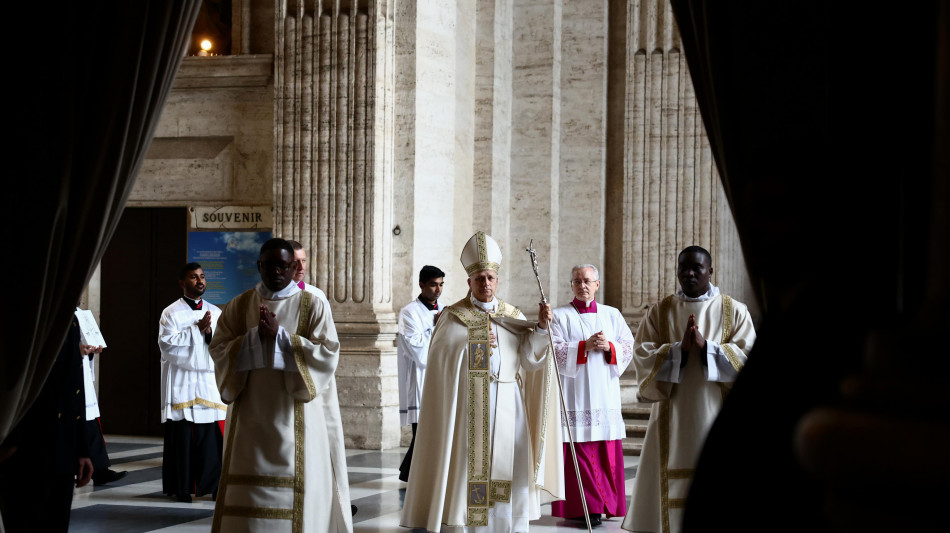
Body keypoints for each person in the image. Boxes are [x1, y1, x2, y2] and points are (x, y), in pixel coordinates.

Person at [400, 231, 564, 533]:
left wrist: (542, 328)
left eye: (490, 278)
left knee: (510, 470)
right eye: (479, 278)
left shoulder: (512, 315)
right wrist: (473, 341)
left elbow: (530, 360)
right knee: (470, 469)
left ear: (497, 280)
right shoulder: (453, 316)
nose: (485, 283)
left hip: (510, 406)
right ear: (469, 282)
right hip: (469, 407)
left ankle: (507, 527)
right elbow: (441, 360)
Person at [209, 238, 352, 532]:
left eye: (284, 266)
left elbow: (328, 353)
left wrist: (282, 338)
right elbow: (219, 349)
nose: (277, 271)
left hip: (296, 416)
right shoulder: (239, 305)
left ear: (293, 267)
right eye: (270, 265)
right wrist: (252, 338)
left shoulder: (313, 304)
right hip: (249, 420)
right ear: (259, 266)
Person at [621, 246, 755, 533]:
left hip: (717, 412)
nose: (690, 273)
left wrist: (708, 348)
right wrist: (677, 350)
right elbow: (642, 353)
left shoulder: (734, 310)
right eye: (684, 268)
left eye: (697, 267)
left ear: (710, 271)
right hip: (672, 414)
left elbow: (749, 358)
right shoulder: (660, 311)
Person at [549, 264, 633, 526]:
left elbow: (628, 345)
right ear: (571, 285)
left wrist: (610, 347)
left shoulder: (612, 314)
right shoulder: (559, 316)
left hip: (605, 394)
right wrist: (583, 346)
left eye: (587, 281)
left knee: (605, 452)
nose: (582, 286)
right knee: (580, 452)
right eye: (577, 281)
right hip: (574, 395)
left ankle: (605, 504)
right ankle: (585, 508)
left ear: (597, 284)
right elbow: (553, 349)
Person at [0, 318, 93, 532]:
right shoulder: (26, 313)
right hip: (24, 448)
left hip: (62, 447)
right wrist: (10, 439)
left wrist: (82, 449)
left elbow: (75, 385)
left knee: (56, 523)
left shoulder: (69, 320)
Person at [157, 262, 226, 503]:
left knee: (211, 439)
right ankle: (183, 487)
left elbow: (222, 345)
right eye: (194, 277)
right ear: (182, 283)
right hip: (182, 382)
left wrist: (208, 333)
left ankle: (214, 486)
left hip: (207, 382)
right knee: (183, 438)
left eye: (202, 277)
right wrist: (196, 330)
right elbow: (167, 345)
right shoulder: (171, 313)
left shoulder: (216, 312)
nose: (200, 281)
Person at [397, 265, 445, 482]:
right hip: (420, 378)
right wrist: (436, 328)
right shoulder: (409, 312)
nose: (438, 289)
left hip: (442, 376)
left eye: (441, 284)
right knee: (423, 432)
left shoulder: (445, 310)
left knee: (433, 432)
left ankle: (409, 473)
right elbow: (418, 351)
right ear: (421, 285)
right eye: (433, 285)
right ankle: (412, 475)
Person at [74, 307, 128, 487]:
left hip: (81, 375)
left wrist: (90, 351)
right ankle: (97, 470)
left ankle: (100, 470)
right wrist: (79, 350)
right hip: (69, 378)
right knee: (84, 425)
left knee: (91, 424)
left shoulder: (80, 313)